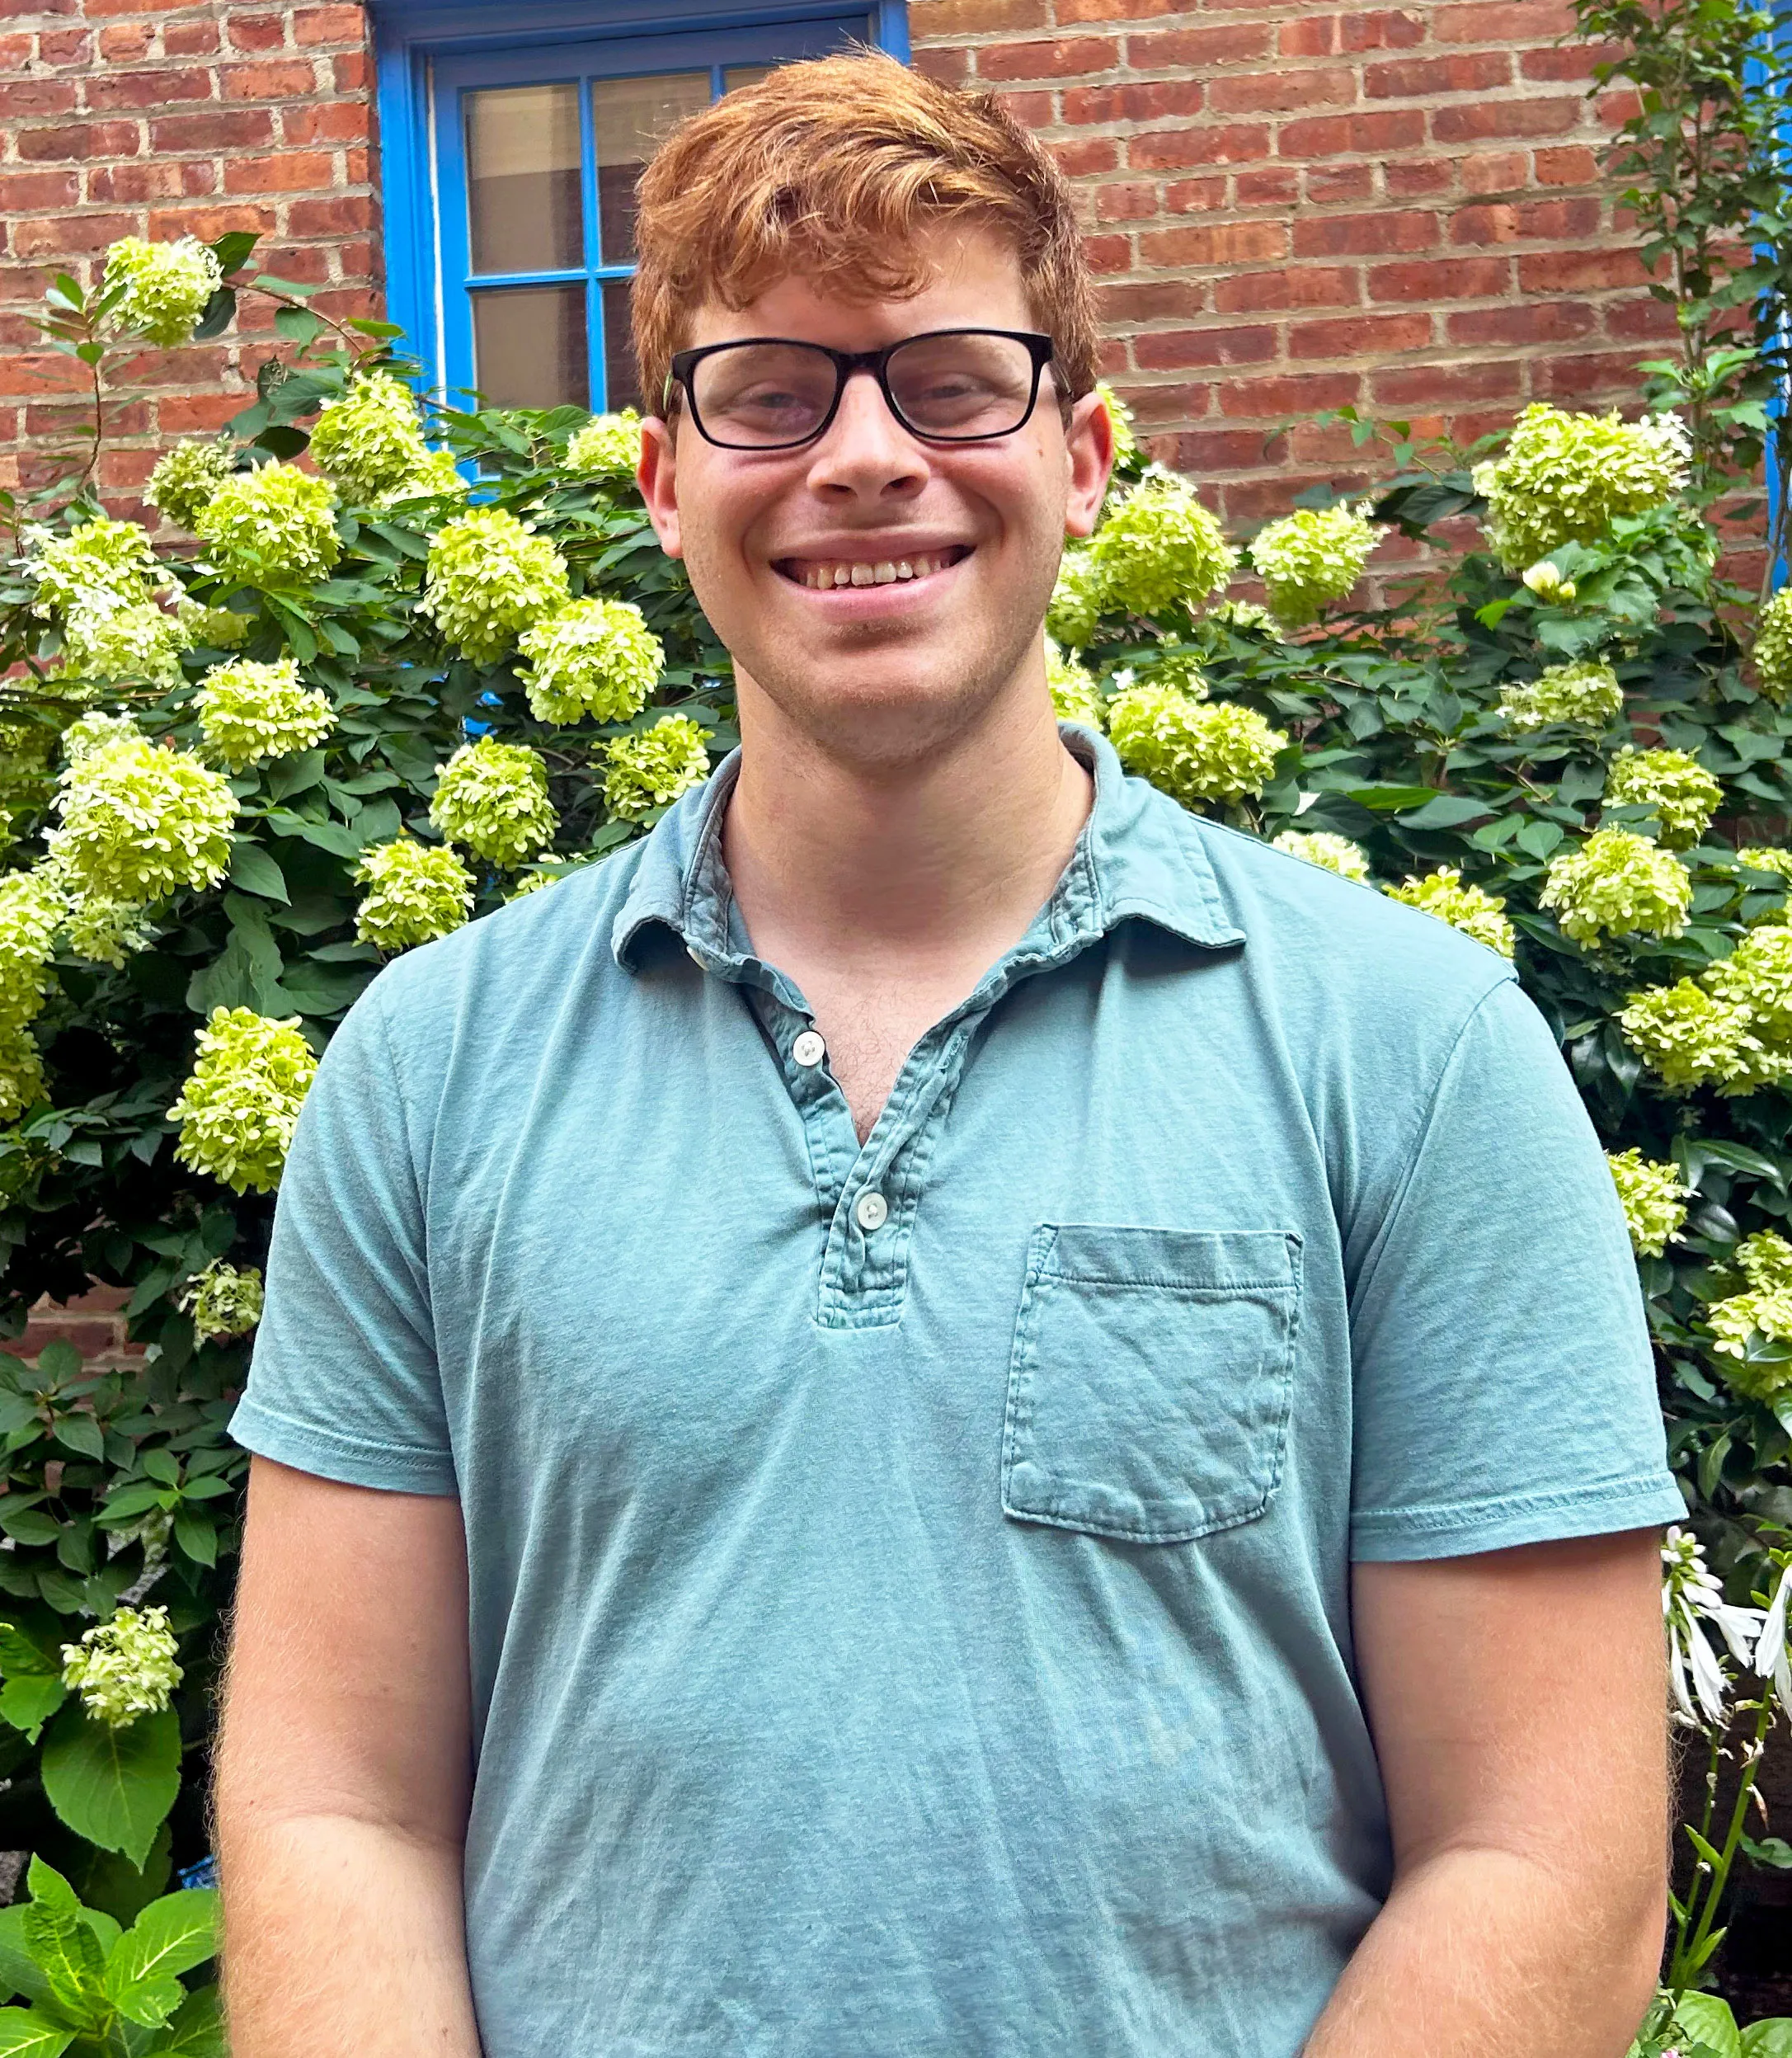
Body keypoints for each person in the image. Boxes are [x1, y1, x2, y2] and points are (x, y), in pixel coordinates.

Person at [215, 51, 1681, 2058]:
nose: (865, 456)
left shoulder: (1411, 1056)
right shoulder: (431, 1067)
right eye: (769, 392)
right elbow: (333, 1808)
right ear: (666, 482)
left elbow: (1546, 1859)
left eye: (950, 379)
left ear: (1082, 456)